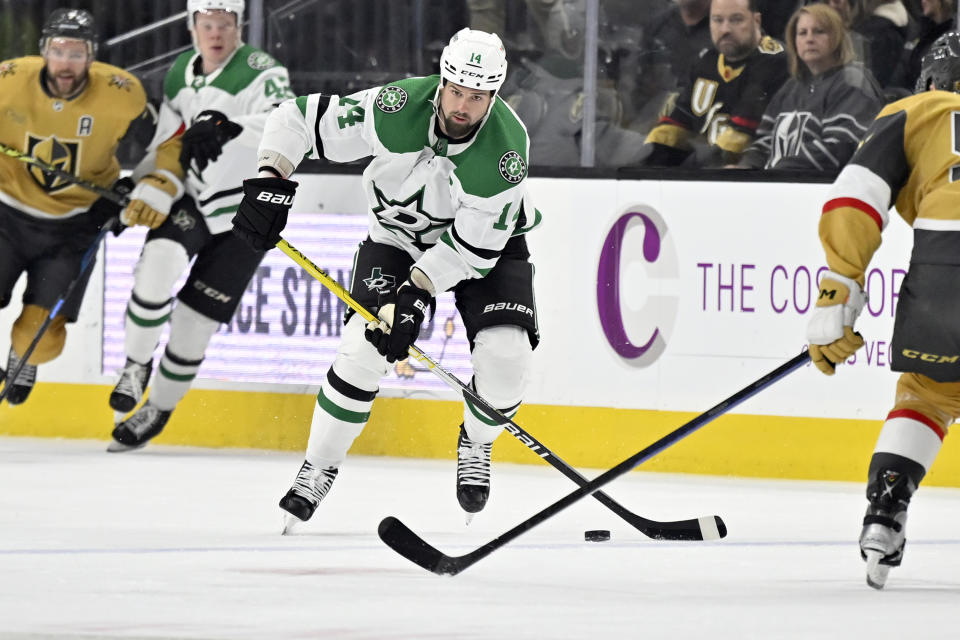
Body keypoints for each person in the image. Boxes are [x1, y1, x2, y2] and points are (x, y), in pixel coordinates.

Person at [231, 27, 540, 530]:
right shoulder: (395, 108)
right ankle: (319, 465)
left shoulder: (504, 155)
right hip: (396, 241)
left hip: (483, 250)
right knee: (362, 349)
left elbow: (473, 249)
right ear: (443, 81)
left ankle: (477, 443)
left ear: (494, 95)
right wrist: (270, 177)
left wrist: (416, 293)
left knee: (507, 357)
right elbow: (297, 119)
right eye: (456, 91)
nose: (462, 106)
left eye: (477, 97)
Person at [806, 31, 960, 590]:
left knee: (928, 393)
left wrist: (839, 288)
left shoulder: (917, 110)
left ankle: (886, 510)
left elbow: (856, 195)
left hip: (946, 273)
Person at [107, 0, 295, 451]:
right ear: (193, 27)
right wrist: (140, 186)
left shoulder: (262, 70)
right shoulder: (180, 73)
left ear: (239, 27)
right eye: (207, 24)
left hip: (247, 211)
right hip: (194, 196)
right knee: (157, 264)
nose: (216, 34)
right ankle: (135, 365)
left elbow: (286, 121)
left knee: (194, 324)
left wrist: (227, 125)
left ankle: (160, 407)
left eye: (225, 25)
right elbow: (168, 144)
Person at [0, 9, 147, 405]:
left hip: (74, 227)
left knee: (42, 338)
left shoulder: (123, 93)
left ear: (93, 56)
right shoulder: (7, 80)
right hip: (6, 214)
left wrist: (136, 188)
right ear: (44, 51)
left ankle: (21, 356)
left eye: (77, 53)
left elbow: (164, 142)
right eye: (59, 51)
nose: (67, 63)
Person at [736, 3, 883, 172]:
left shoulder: (852, 81)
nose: (809, 39)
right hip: (778, 183)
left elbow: (841, 148)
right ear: (794, 41)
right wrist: (744, 167)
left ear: (837, 37)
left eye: (819, 31)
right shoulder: (792, 86)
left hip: (820, 188)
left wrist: (779, 171)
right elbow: (765, 142)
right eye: (802, 33)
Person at [641, 0, 789, 167]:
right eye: (718, 20)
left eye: (736, 20)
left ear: (756, 21)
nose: (725, 29)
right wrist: (648, 161)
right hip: (705, 168)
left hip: (742, 176)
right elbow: (677, 123)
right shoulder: (707, 60)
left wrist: (691, 173)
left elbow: (739, 139)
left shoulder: (775, 61)